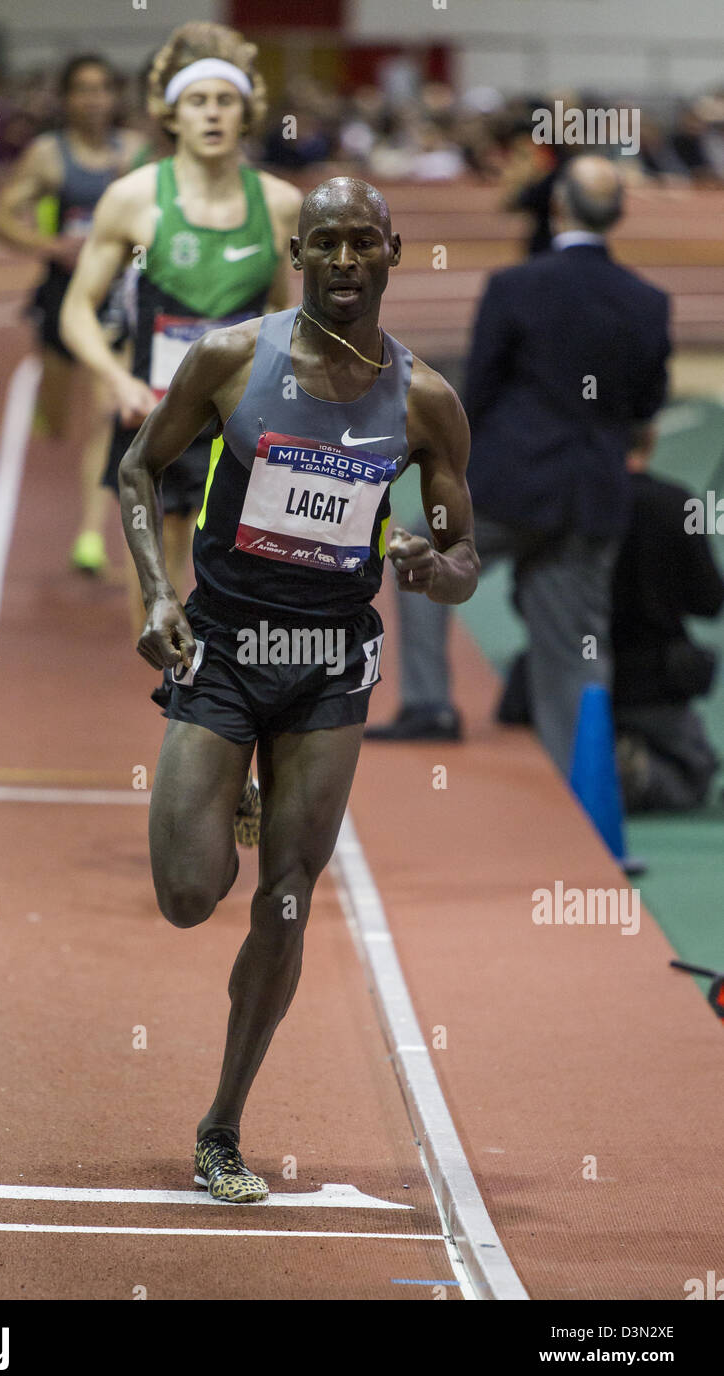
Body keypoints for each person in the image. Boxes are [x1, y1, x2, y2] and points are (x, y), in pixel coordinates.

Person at [116, 176, 479, 1202]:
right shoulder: (234, 358)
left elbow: (463, 561)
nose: (345, 261)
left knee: (284, 898)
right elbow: (140, 474)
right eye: (325, 242)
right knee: (189, 896)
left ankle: (222, 1126)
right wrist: (154, 593)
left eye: (363, 242)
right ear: (299, 255)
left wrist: (428, 564)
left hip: (328, 662)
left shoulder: (424, 401)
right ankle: (229, 782)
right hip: (224, 644)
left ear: (391, 253)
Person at [367, 156, 671, 778]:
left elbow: (474, 393)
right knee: (578, 654)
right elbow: (645, 405)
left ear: (557, 207)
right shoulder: (648, 301)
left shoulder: (515, 286)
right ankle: (586, 792)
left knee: (419, 550)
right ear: (617, 215)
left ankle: (430, 704)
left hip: (511, 487)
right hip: (592, 496)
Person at [60, 22, 302, 630]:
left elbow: (285, 314)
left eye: (226, 100)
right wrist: (116, 381)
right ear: (173, 114)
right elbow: (76, 310)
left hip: (245, 417)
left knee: (241, 564)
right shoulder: (135, 198)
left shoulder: (278, 203)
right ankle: (170, 687)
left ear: (246, 112)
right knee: (160, 568)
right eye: (198, 101)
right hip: (158, 410)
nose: (213, 114)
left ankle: (225, 693)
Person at [499, 440, 724, 811]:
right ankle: (629, 770)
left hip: (564, 683)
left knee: (559, 750)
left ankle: (581, 764)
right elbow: (709, 602)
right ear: (650, 437)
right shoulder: (675, 503)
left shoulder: (557, 502)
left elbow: (527, 602)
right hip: (653, 686)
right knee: (695, 775)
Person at [0, 54, 143, 574]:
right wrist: (51, 245)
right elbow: (1, 217)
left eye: (103, 88)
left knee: (107, 410)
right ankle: (46, 410)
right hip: (61, 294)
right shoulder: (48, 156)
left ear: (115, 96)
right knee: (57, 424)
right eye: (83, 89)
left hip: (117, 297)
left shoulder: (135, 152)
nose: (94, 99)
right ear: (67, 98)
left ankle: (88, 537)